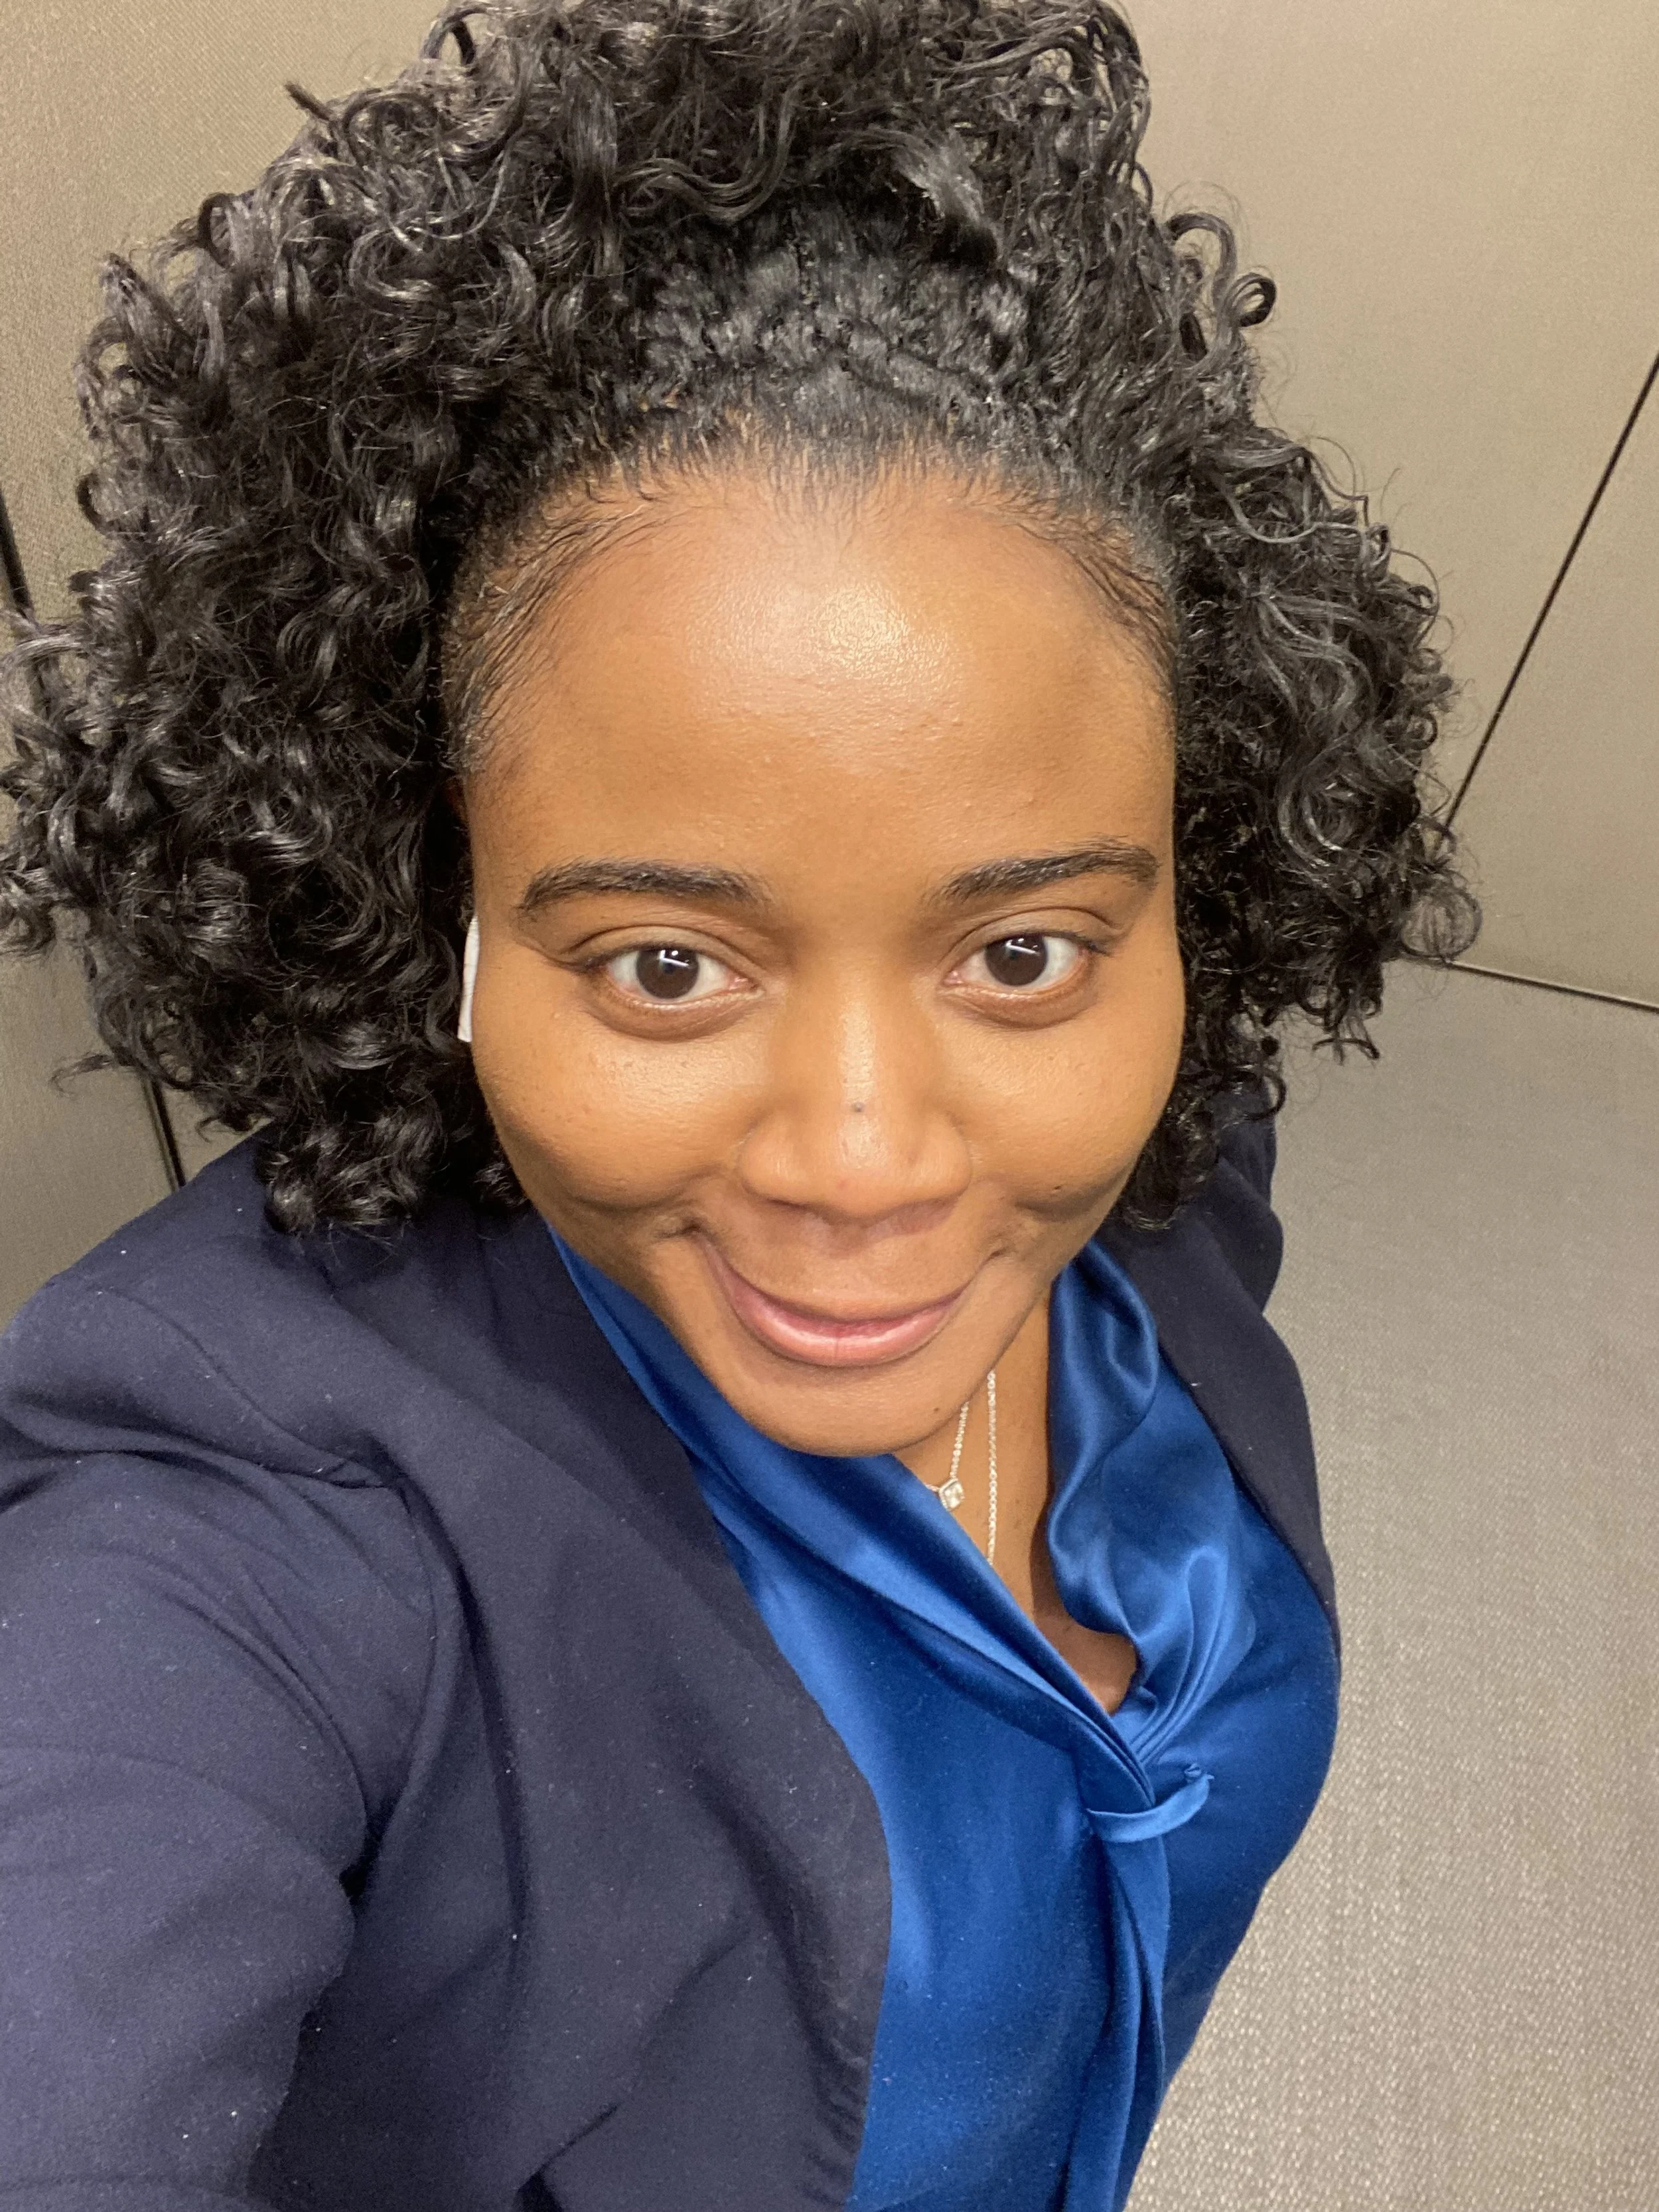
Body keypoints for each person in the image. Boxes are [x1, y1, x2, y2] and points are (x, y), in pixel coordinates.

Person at [0, 3, 1477, 2207]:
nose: (870, 1160)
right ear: (451, 917)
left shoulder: (1170, 1156)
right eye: (667, 964)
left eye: (1020, 949)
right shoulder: (238, 1523)